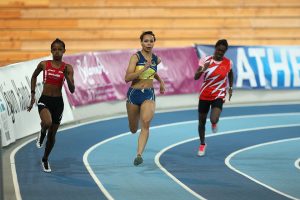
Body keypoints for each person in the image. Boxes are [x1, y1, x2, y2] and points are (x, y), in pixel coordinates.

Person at [27, 38, 75, 172]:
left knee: (52, 136)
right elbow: (33, 76)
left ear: (64, 51)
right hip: (45, 100)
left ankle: (45, 159)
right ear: (51, 51)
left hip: (58, 103)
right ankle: (42, 131)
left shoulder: (68, 68)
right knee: (47, 123)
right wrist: (32, 95)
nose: (57, 52)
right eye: (54, 49)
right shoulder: (44, 64)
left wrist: (67, 78)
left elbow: (72, 89)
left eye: (60, 49)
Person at [125, 31, 165, 166]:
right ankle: (133, 124)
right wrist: (143, 69)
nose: (149, 43)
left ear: (154, 42)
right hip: (134, 94)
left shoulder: (156, 59)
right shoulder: (135, 57)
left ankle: (139, 155)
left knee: (146, 122)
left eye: (151, 41)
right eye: (146, 41)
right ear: (141, 42)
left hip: (148, 93)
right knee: (133, 128)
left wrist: (161, 81)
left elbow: (153, 72)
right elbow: (127, 78)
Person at [194, 39, 233, 157]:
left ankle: (214, 123)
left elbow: (231, 73)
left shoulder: (228, 62)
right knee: (201, 122)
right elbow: (196, 77)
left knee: (213, 119)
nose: (220, 52)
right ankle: (202, 144)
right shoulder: (205, 60)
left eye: (223, 51)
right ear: (215, 48)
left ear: (225, 51)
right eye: (218, 50)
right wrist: (203, 69)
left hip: (218, 94)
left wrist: (230, 87)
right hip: (205, 94)